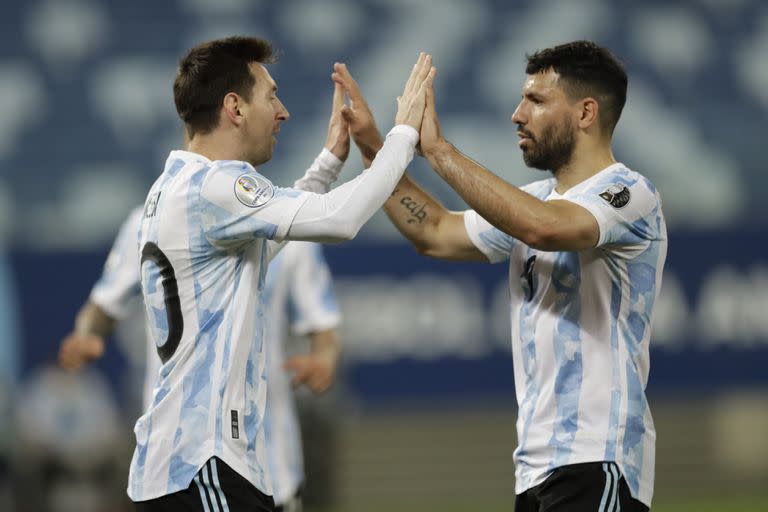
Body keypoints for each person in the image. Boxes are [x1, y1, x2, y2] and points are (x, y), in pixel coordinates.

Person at [334, 40, 666, 511]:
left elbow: (546, 229)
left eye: (535, 100)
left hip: (599, 458)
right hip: (536, 467)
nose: (517, 113)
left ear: (586, 112)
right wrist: (376, 148)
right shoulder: (534, 200)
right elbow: (434, 232)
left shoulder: (629, 193)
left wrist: (440, 152)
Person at [128, 36, 433, 511]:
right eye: (270, 95)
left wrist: (330, 161)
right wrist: (404, 134)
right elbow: (339, 220)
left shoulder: (180, 188)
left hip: (190, 464)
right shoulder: (215, 185)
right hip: (202, 463)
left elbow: (272, 234)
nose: (283, 111)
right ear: (235, 107)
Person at [59, 206, 342, 512]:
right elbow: (103, 304)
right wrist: (86, 333)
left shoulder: (283, 217)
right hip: (176, 463)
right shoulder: (148, 221)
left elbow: (322, 322)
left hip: (269, 458)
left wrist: (324, 357)